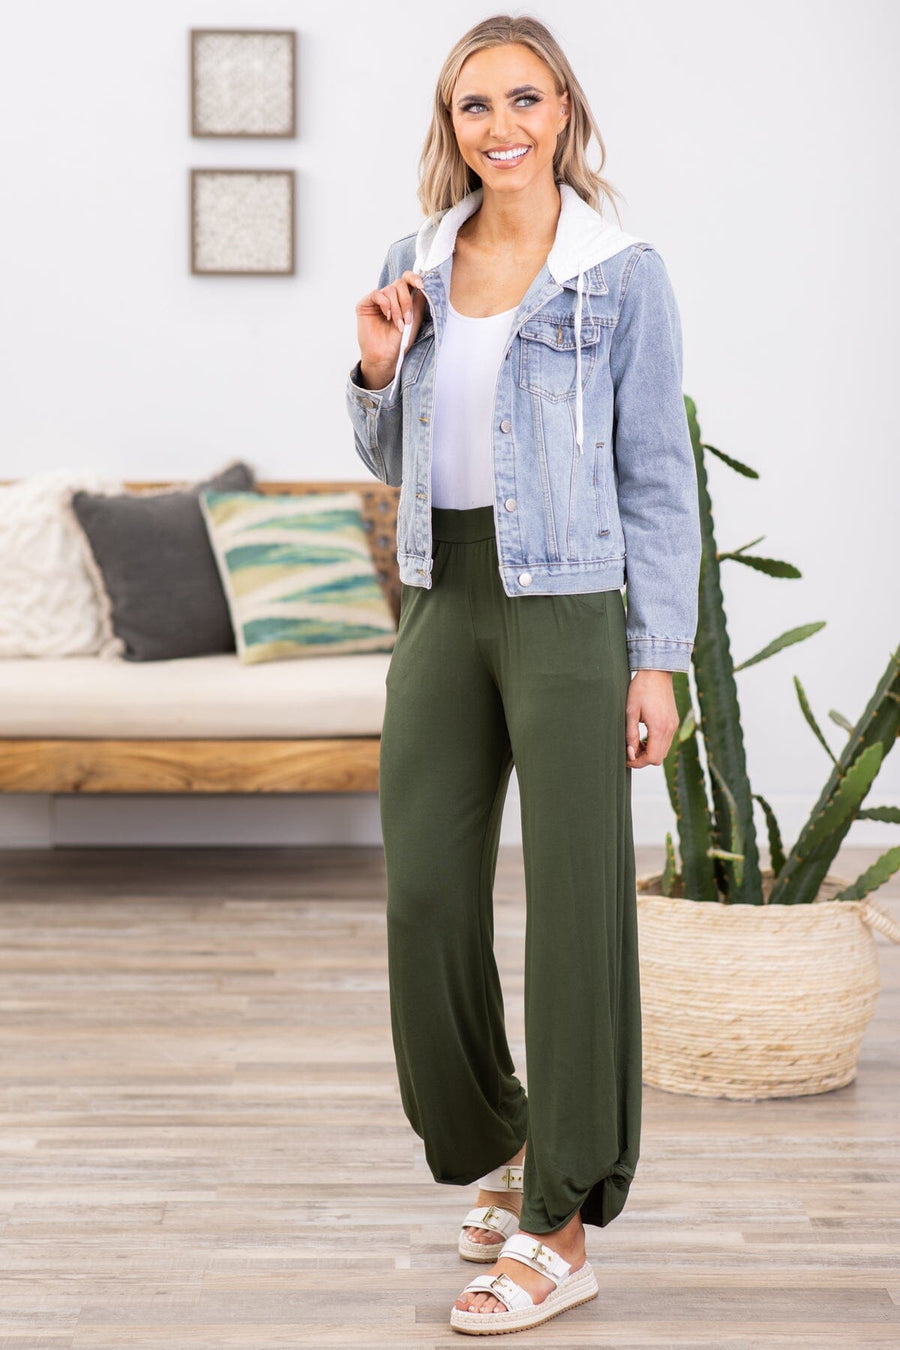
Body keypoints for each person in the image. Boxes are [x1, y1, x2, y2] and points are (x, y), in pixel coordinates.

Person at [344, 12, 701, 1336]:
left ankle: (562, 1223)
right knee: (427, 894)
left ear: (566, 112)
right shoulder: (414, 262)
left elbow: (656, 474)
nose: (501, 127)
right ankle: (501, 1138)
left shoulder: (620, 276)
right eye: (474, 106)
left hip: (571, 604)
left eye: (525, 100)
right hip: (444, 596)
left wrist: (658, 658)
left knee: (576, 909)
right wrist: (377, 366)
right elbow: (391, 452)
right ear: (452, 125)